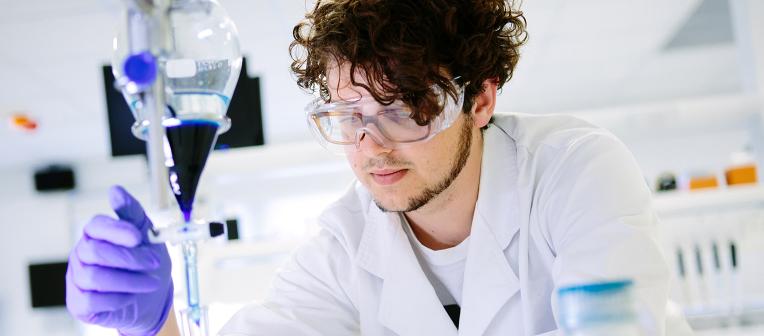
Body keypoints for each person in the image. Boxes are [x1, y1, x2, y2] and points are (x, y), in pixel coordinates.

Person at [66, 0, 676, 335]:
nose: (370, 145)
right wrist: (152, 325)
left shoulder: (574, 172)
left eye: (408, 110)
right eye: (346, 114)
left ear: (482, 100)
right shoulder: (344, 245)